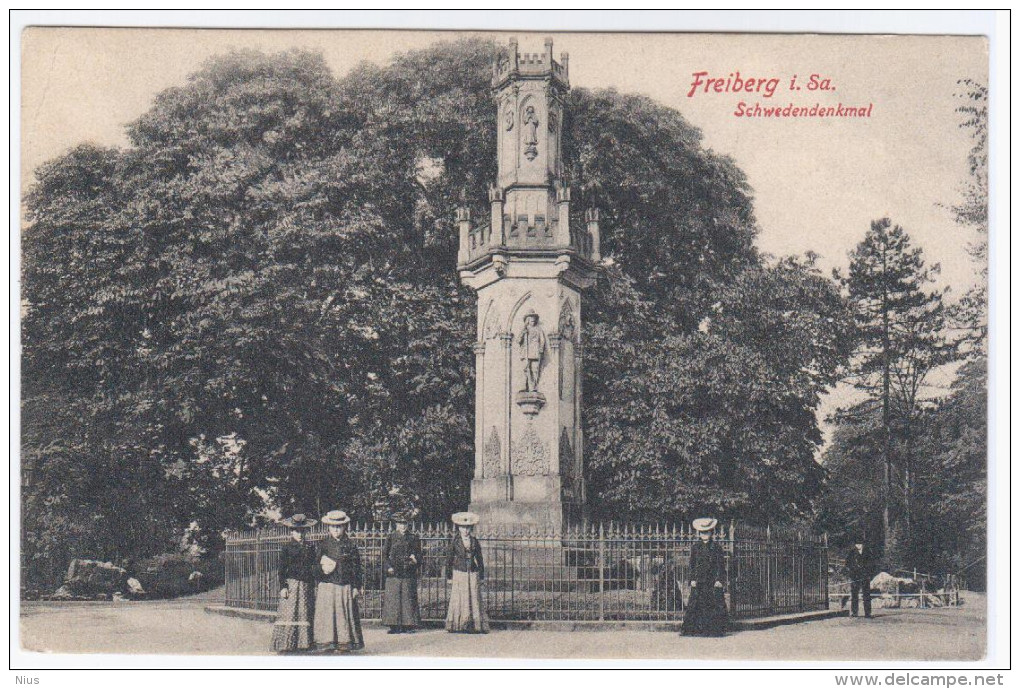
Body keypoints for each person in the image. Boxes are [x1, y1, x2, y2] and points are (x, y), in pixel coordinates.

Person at [313, 510, 364, 652]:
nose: (336, 530)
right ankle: (327, 643)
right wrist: (322, 569)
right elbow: (315, 565)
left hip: (345, 586)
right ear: (328, 527)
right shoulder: (323, 544)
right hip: (328, 585)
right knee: (328, 615)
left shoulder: (351, 545)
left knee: (344, 615)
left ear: (344, 527)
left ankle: (344, 643)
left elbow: (357, 567)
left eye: (339, 526)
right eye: (333, 526)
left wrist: (356, 586)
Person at [271, 513, 318, 654]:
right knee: (290, 613)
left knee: (305, 613)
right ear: (292, 531)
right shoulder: (287, 547)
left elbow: (313, 566)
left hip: (306, 585)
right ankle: (286, 644)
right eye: (297, 531)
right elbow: (281, 569)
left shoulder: (311, 547)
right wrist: (283, 586)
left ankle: (304, 643)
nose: (300, 534)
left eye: (303, 531)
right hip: (292, 584)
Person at [681, 517, 728, 637]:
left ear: (711, 533)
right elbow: (692, 565)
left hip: (712, 582)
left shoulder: (716, 547)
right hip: (699, 581)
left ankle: (713, 631)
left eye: (707, 532)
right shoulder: (695, 547)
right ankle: (695, 630)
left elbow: (720, 565)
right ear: (699, 533)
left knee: (713, 605)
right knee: (695, 605)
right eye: (702, 532)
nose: (704, 535)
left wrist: (719, 580)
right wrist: (692, 579)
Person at [445, 512, 489, 633]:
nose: (465, 530)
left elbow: (480, 559)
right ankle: (458, 624)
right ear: (459, 528)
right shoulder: (455, 541)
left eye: (468, 527)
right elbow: (449, 560)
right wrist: (449, 576)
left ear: (471, 528)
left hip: (473, 572)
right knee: (460, 597)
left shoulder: (475, 541)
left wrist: (481, 576)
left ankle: (473, 625)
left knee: (473, 597)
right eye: (463, 527)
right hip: (460, 572)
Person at [381, 511, 423, 634]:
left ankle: (408, 625)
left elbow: (419, 555)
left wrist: (415, 560)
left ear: (408, 524)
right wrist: (388, 567)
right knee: (393, 598)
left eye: (405, 523)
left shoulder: (413, 537)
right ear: (396, 524)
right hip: (393, 571)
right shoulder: (391, 537)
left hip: (408, 572)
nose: (403, 526)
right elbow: (384, 555)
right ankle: (393, 625)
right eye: (400, 523)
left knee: (407, 598)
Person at [846, 541, 873, 618]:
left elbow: (872, 564)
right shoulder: (851, 553)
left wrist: (868, 574)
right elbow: (847, 564)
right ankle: (854, 612)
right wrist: (852, 571)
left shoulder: (868, 552)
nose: (858, 545)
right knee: (854, 594)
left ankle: (868, 613)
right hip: (855, 576)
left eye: (860, 544)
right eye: (857, 544)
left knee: (866, 595)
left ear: (863, 544)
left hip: (865, 576)